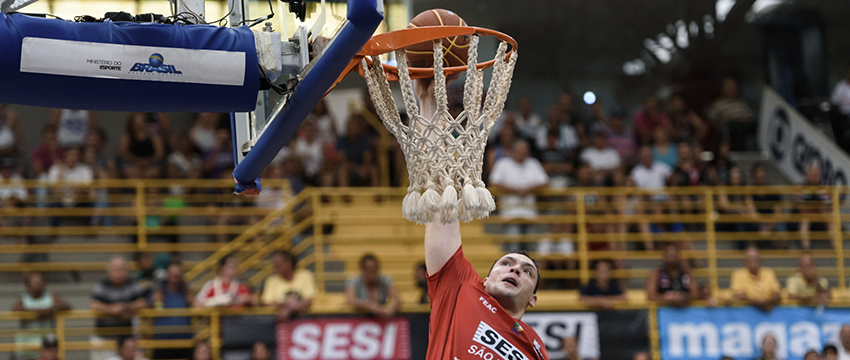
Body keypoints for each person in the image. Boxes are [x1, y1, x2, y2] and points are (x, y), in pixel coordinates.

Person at [415, 76, 549, 360]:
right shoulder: (461, 287)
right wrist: (427, 104)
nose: (515, 270)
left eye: (527, 272)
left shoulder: (536, 347)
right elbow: (441, 192)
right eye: (507, 264)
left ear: (533, 299)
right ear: (486, 280)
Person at [489, 139, 549, 247]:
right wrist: (516, 191)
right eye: (520, 150)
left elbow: (545, 184)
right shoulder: (503, 164)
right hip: (510, 213)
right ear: (513, 151)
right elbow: (493, 184)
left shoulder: (533, 163)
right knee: (513, 249)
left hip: (530, 214)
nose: (523, 153)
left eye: (525, 150)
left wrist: (528, 190)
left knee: (531, 251)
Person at [90, 257, 149, 360]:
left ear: (126, 270)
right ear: (109, 271)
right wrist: (112, 309)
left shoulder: (132, 285)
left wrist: (125, 307)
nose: (118, 271)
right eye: (115, 268)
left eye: (121, 268)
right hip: (104, 337)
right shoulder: (102, 286)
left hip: (126, 341)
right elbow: (94, 305)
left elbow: (142, 303)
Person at [13, 273, 71, 360]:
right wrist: (36, 313)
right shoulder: (23, 299)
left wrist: (52, 310)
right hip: (27, 344)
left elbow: (67, 307)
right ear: (28, 286)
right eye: (34, 283)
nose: (37, 286)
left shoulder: (52, 297)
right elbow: (15, 310)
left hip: (47, 344)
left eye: (39, 283)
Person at [151, 264, 194, 360]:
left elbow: (196, 307)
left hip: (184, 343)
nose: (176, 278)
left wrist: (192, 301)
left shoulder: (186, 293)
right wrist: (157, 302)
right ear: (167, 276)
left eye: (178, 275)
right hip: (163, 343)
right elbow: (155, 309)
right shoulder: (159, 293)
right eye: (173, 275)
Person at [258, 250, 315, 319]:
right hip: (277, 320)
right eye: (274, 263)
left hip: (303, 319)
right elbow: (267, 303)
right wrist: (285, 305)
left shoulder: (305, 275)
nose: (275, 266)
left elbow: (308, 300)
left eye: (278, 263)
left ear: (288, 263)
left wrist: (291, 308)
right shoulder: (271, 280)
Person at [706, 77, 755, 151]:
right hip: (729, 128)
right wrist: (720, 127)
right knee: (736, 126)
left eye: (733, 86)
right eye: (728, 86)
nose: (731, 89)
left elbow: (750, 116)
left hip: (745, 127)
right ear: (723, 89)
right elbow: (710, 118)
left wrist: (748, 120)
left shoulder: (741, 103)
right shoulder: (718, 104)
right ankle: (739, 151)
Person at [345, 254, 400, 318]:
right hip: (360, 318)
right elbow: (351, 300)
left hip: (382, 319)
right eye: (368, 270)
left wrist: (390, 308)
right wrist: (369, 305)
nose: (372, 273)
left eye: (374, 269)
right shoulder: (354, 281)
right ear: (362, 270)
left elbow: (397, 299)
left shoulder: (385, 280)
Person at [730, 246, 780, 312]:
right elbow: (738, 295)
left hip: (768, 313)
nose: (753, 260)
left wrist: (767, 302)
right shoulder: (738, 274)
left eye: (755, 258)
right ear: (744, 261)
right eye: (750, 258)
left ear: (760, 260)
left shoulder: (769, 273)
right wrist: (759, 303)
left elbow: (777, 294)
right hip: (746, 314)